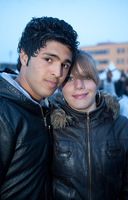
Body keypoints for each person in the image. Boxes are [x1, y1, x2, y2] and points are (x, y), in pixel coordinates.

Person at [0, 16, 78, 200]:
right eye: (49, 59)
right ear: (24, 56)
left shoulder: (46, 109)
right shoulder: (4, 112)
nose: (57, 73)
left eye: (64, 65)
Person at [50, 50, 128, 200]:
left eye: (86, 77)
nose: (79, 85)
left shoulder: (123, 127)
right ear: (60, 86)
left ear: (97, 81)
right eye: (69, 79)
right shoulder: (50, 128)